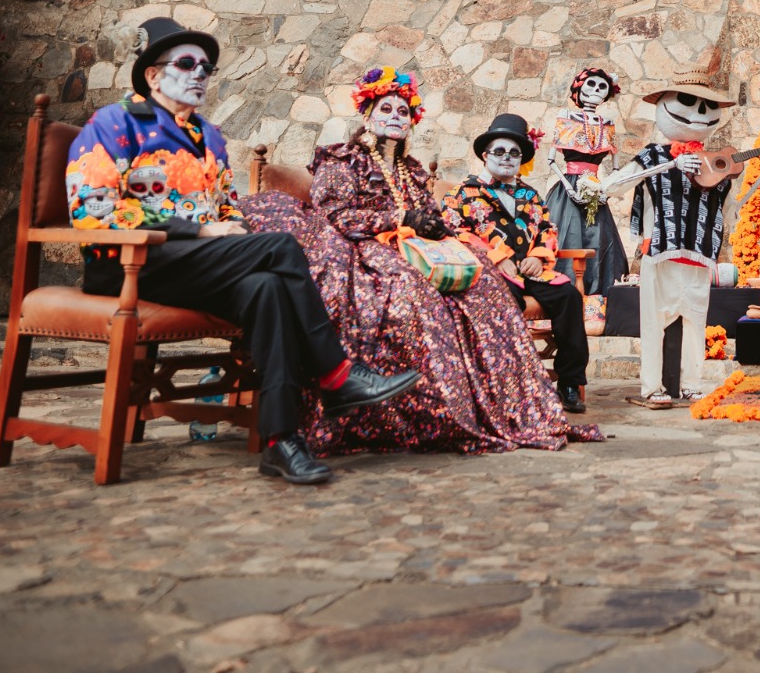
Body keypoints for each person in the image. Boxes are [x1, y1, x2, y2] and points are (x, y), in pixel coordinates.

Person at [67, 18, 418, 485]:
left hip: (195, 268)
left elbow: (227, 207)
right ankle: (336, 373)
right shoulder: (114, 123)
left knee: (267, 286)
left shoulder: (208, 137)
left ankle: (280, 441)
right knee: (281, 247)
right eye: (186, 63)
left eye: (206, 67)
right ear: (152, 74)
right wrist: (201, 230)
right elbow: (91, 210)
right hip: (128, 263)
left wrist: (232, 226)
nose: (199, 74)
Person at [238, 67, 601, 455]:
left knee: (485, 290)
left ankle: (504, 404)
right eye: (386, 108)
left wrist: (432, 225)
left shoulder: (412, 171)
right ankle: (409, 406)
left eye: (403, 110)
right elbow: (335, 215)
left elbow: (453, 220)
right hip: (363, 249)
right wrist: (401, 220)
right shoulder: (343, 159)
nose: (395, 116)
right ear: (368, 114)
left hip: (422, 254)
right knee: (415, 296)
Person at [602, 64, 760, 408]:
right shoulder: (652, 155)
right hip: (660, 250)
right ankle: (651, 387)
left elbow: (736, 206)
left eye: (707, 105)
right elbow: (614, 186)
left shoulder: (716, 164)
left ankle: (691, 384)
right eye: (687, 101)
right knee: (654, 321)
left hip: (699, 254)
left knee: (696, 323)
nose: (699, 111)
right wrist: (671, 165)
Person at [447, 112, 590, 414]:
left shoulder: (530, 194)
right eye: (499, 151)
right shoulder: (465, 193)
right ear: (485, 155)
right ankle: (507, 383)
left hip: (531, 273)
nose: (507, 158)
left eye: (514, 153)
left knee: (569, 296)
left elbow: (548, 230)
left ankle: (569, 383)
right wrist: (495, 259)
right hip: (491, 276)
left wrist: (539, 256)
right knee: (503, 298)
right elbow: (454, 233)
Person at [544, 67, 629, 294]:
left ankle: (597, 295)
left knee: (597, 238)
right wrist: (569, 189)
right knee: (568, 235)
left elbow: (616, 167)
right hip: (568, 190)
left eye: (602, 87)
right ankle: (564, 292)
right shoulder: (566, 117)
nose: (596, 91)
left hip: (595, 189)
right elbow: (551, 160)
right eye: (591, 84)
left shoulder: (607, 124)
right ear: (579, 88)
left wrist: (606, 191)